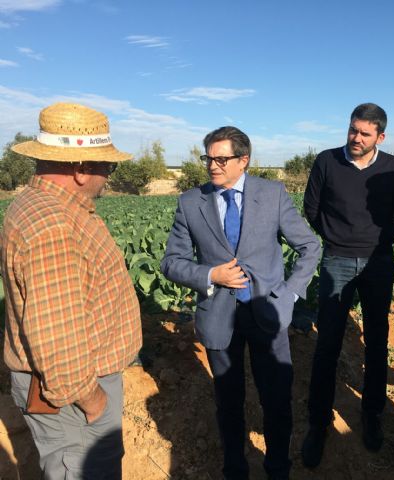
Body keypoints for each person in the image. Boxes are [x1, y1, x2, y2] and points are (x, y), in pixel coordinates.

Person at [161, 126, 320, 480]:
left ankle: (278, 468)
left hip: (268, 313)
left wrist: (289, 295)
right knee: (229, 404)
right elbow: (171, 262)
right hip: (219, 316)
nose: (212, 166)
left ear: (243, 160)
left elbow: (310, 247)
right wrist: (210, 275)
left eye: (221, 159)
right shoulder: (190, 202)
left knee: (276, 400)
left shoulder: (273, 194)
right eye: (208, 158)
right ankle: (235, 469)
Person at [0, 102, 142, 479]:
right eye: (106, 167)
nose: (108, 177)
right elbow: (57, 336)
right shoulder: (53, 226)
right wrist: (92, 401)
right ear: (80, 169)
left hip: (74, 391)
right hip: (75, 399)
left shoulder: (47, 207)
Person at [302, 103, 394, 467]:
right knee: (327, 342)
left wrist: (375, 243)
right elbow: (312, 208)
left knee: (377, 341)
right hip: (338, 260)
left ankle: (372, 415)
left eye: (365, 133)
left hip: (378, 262)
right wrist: (338, 239)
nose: (356, 138)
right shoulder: (327, 161)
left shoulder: (393, 167)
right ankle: (318, 423)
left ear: (381, 136)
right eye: (352, 130)